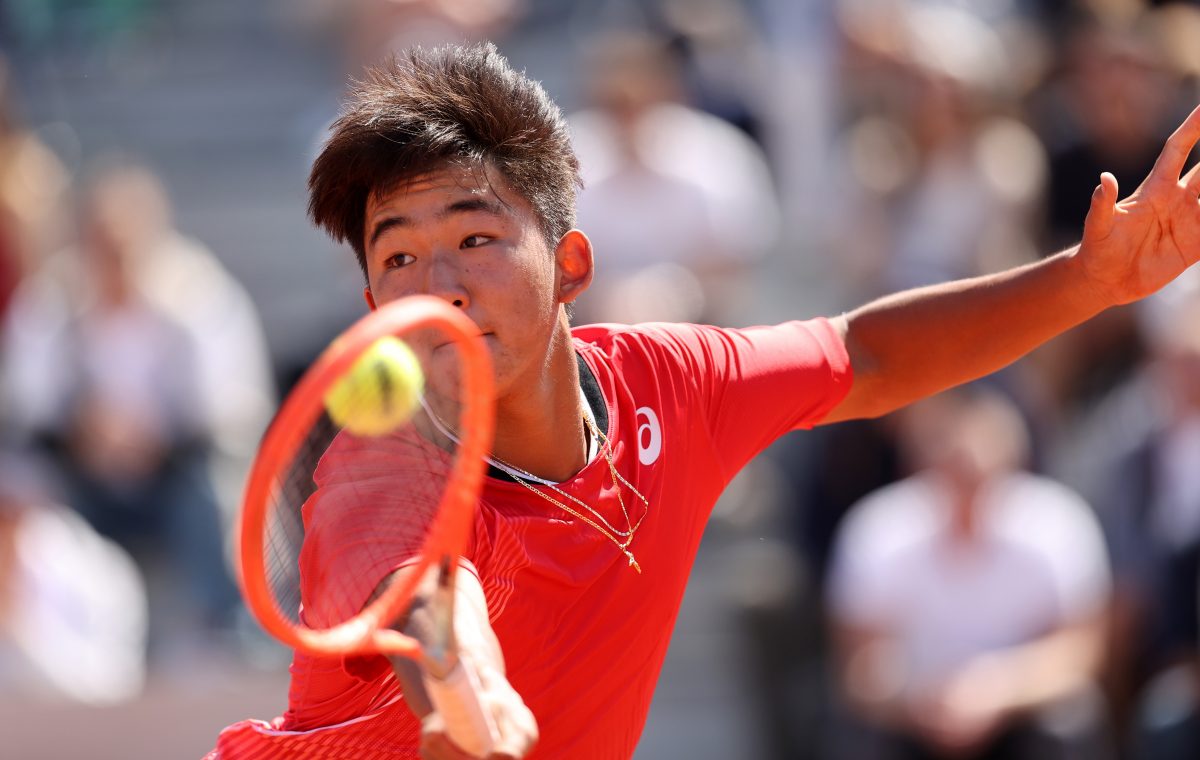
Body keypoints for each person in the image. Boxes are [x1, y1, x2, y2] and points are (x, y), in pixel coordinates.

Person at [211, 42, 1200, 760]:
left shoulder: (670, 385)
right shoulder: (374, 469)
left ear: (571, 265)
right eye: (398, 256)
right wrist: (462, 687)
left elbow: (867, 352)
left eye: (475, 236)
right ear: (375, 305)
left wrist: (1089, 281)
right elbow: (432, 599)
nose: (443, 281)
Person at [827, 388, 1111, 760]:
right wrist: (920, 699)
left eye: (978, 477)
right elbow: (858, 668)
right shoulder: (877, 531)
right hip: (913, 721)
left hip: (1021, 717)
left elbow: (1081, 654)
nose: (967, 494)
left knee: (1070, 723)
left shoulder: (1058, 525)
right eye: (952, 472)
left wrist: (998, 692)